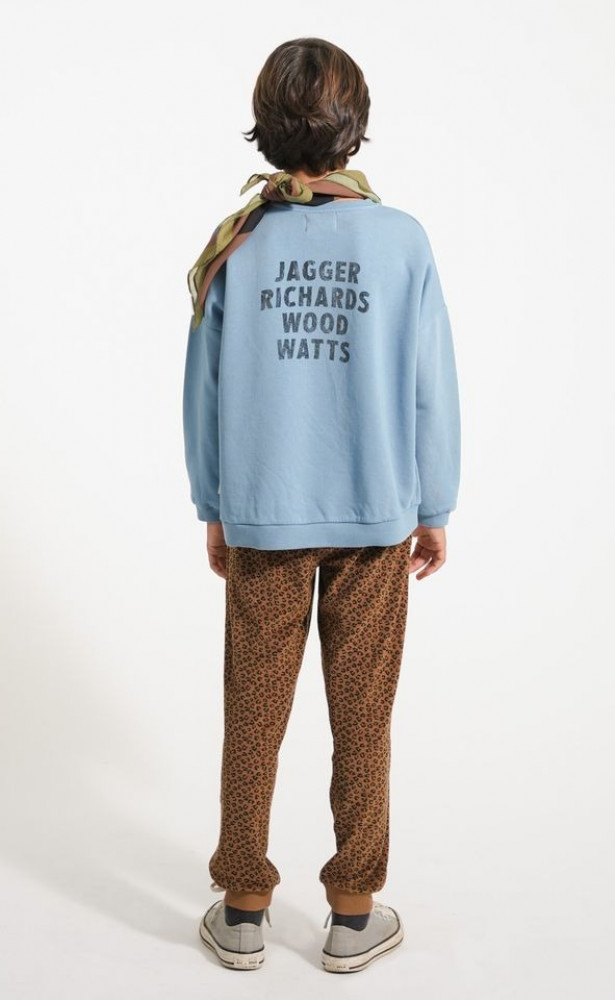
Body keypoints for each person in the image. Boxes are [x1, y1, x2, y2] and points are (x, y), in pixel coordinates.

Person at [183, 37, 461, 973]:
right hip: (378, 517)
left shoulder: (239, 242)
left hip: (264, 515)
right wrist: (434, 502)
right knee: (363, 717)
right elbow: (430, 385)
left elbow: (205, 389)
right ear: (355, 128)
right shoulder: (403, 240)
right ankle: (352, 913)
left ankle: (243, 908)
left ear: (264, 128)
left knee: (253, 714)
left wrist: (214, 504)